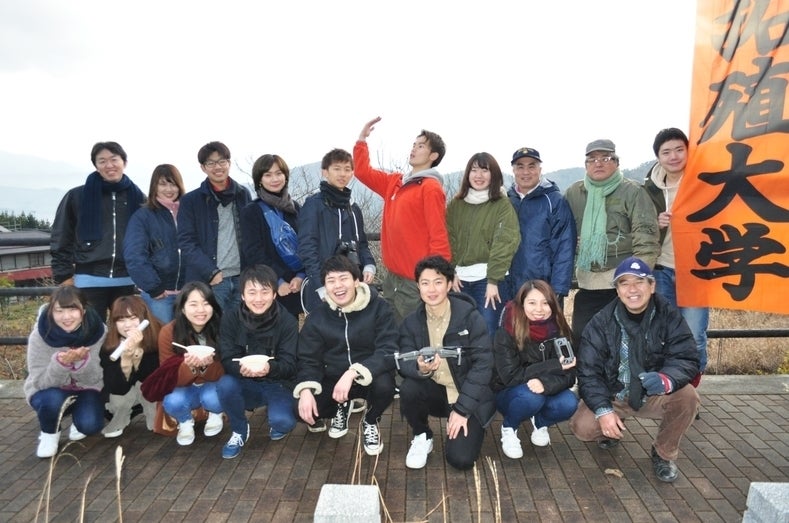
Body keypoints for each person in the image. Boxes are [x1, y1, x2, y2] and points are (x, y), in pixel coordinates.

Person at [569, 256, 700, 483]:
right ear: (617, 290)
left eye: (639, 281)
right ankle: (614, 426)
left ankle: (663, 453)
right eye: (624, 283)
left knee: (688, 398)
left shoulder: (668, 316)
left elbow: (686, 356)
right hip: (614, 395)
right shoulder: (601, 322)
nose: (632, 289)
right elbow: (588, 372)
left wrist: (667, 379)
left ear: (652, 285)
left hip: (653, 393)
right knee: (583, 428)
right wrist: (603, 411)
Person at [295, 255, 398, 456]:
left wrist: (353, 373)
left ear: (356, 281)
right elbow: (308, 357)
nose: (338, 286)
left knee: (386, 387)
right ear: (325, 286)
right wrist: (306, 389)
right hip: (333, 378)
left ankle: (370, 420)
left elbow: (388, 348)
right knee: (299, 409)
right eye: (331, 281)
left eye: (343, 278)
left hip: (368, 376)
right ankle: (340, 406)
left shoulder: (379, 308)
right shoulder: (317, 317)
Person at [398, 256, 494, 470]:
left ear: (449, 284)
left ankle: (470, 424)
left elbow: (483, 365)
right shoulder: (411, 322)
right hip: (435, 391)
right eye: (425, 283)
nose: (431, 289)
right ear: (418, 286)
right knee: (409, 388)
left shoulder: (470, 318)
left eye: (438, 282)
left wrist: (462, 410)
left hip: (466, 394)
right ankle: (422, 434)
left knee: (461, 459)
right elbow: (404, 359)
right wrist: (419, 368)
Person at [353, 117, 451, 324]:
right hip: (393, 278)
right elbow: (362, 172)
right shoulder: (395, 182)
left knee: (415, 334)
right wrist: (362, 140)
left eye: (421, 146)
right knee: (391, 332)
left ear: (433, 156)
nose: (414, 148)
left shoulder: (430, 188)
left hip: (415, 281)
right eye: (414, 144)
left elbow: (438, 234)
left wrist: (437, 278)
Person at [564, 139, 660, 345]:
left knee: (624, 340)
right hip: (587, 280)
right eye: (592, 159)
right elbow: (562, 233)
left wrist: (636, 279)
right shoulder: (574, 193)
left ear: (616, 162)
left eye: (605, 158)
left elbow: (646, 238)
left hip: (622, 279)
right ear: (586, 165)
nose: (598, 163)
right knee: (584, 338)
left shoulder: (633, 192)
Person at [51, 142, 145, 319]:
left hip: (127, 279)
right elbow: (61, 236)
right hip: (88, 279)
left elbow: (147, 239)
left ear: (124, 162)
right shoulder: (77, 196)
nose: (109, 165)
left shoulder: (139, 198)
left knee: (126, 328)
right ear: (96, 165)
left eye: (114, 159)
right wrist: (63, 276)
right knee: (91, 329)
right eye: (102, 161)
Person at [644, 128, 708, 380]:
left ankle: (691, 385)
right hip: (661, 267)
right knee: (665, 332)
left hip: (696, 270)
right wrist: (656, 223)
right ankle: (672, 383)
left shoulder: (705, 182)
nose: (673, 156)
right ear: (658, 157)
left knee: (694, 332)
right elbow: (640, 227)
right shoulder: (650, 189)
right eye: (666, 152)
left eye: (679, 150)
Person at [216, 265, 299, 459]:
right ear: (243, 295)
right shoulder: (231, 318)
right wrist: (241, 369)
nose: (259, 299)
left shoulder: (287, 321)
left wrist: (270, 368)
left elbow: (290, 363)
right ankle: (239, 430)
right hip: (245, 382)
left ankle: (276, 412)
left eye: (265, 292)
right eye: (252, 292)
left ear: (274, 294)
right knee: (225, 384)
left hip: (278, 383)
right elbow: (227, 357)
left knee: (283, 422)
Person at [492, 280, 578, 458]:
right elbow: (511, 377)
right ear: (521, 304)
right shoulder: (506, 331)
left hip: (544, 388)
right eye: (532, 303)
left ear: (552, 304)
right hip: (509, 392)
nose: (539, 309)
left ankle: (540, 423)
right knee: (531, 397)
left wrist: (544, 383)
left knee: (569, 402)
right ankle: (509, 427)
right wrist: (554, 365)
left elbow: (570, 376)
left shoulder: (559, 328)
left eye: (545, 303)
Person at [24, 286, 107, 458]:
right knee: (52, 400)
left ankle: (79, 415)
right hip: (50, 390)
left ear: (84, 310)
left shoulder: (99, 331)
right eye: (59, 311)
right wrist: (62, 364)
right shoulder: (40, 335)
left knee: (91, 425)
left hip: (87, 388)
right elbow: (40, 382)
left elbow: (96, 378)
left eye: (72, 310)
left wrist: (82, 362)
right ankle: (49, 433)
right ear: (51, 311)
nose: (66, 317)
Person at [446, 152, 520, 338]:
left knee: (488, 331)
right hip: (459, 280)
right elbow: (448, 239)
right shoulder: (456, 205)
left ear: (493, 174)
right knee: (460, 334)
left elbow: (505, 243)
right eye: (474, 170)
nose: (478, 175)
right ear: (467, 174)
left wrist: (493, 280)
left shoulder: (501, 204)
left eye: (484, 170)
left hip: (489, 281)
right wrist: (450, 271)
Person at [298, 148, 376, 313]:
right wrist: (320, 285)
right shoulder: (314, 205)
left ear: (352, 173)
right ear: (325, 172)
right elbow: (307, 248)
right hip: (324, 286)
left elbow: (362, 244)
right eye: (337, 169)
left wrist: (369, 265)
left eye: (347, 169)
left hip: (352, 285)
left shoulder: (353, 208)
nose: (342, 174)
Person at [178, 141, 251, 314]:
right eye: (211, 163)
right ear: (203, 167)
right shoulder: (191, 201)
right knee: (211, 326)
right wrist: (210, 272)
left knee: (238, 328)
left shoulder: (243, 194)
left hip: (241, 278)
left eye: (222, 161)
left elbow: (250, 235)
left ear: (229, 163)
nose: (217, 167)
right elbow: (186, 242)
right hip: (210, 280)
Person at [503, 147, 576, 309]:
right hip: (510, 288)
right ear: (513, 170)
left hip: (544, 288)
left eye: (531, 166)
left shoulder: (554, 201)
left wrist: (557, 289)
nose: (526, 172)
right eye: (520, 166)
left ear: (540, 170)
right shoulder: (506, 201)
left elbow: (565, 247)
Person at [158, 281, 225, 446]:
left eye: (206, 303)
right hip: (183, 387)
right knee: (173, 401)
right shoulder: (168, 332)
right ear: (182, 308)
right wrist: (189, 367)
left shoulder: (222, 328)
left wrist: (207, 366)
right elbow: (168, 377)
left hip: (212, 384)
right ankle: (185, 421)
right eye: (193, 304)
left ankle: (216, 413)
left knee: (215, 396)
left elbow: (226, 372)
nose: (201, 310)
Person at [240, 154, 305, 318]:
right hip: (266, 286)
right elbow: (253, 252)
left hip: (296, 284)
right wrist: (277, 281)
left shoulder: (294, 208)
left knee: (293, 330)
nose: (274, 179)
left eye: (279, 173)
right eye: (268, 175)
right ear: (259, 180)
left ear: (285, 176)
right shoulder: (251, 211)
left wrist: (301, 276)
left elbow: (306, 243)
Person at [124, 164, 187, 323]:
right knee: (161, 335)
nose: (169, 189)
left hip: (187, 293)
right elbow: (134, 255)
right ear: (154, 186)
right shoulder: (143, 216)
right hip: (159, 295)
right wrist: (153, 287)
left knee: (186, 336)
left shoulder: (189, 212)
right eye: (163, 184)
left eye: (173, 184)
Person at [100, 295, 161, 437]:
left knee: (149, 389)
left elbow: (153, 377)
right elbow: (116, 388)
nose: (127, 325)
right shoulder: (109, 345)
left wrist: (138, 350)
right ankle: (121, 417)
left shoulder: (158, 335)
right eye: (121, 320)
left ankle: (154, 414)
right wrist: (126, 359)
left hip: (149, 388)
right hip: (124, 391)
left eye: (133, 318)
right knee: (118, 400)